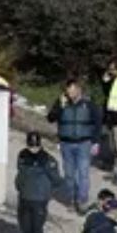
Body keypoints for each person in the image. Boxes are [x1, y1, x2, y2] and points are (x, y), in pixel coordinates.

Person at [46, 79, 101, 209]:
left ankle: (82, 200)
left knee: (83, 173)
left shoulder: (88, 105)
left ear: (78, 90)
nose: (69, 94)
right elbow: (50, 118)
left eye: (72, 91)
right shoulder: (61, 103)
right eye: (67, 91)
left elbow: (97, 123)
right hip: (66, 144)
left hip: (84, 143)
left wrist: (96, 142)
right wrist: (60, 106)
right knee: (69, 174)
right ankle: (70, 199)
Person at [14, 132, 67, 233]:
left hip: (39, 199)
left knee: (37, 227)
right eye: (31, 146)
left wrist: (48, 191)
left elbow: (56, 180)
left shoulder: (48, 160)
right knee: (24, 225)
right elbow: (20, 172)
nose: (33, 150)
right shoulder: (22, 155)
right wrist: (19, 185)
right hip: (24, 195)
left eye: (35, 147)